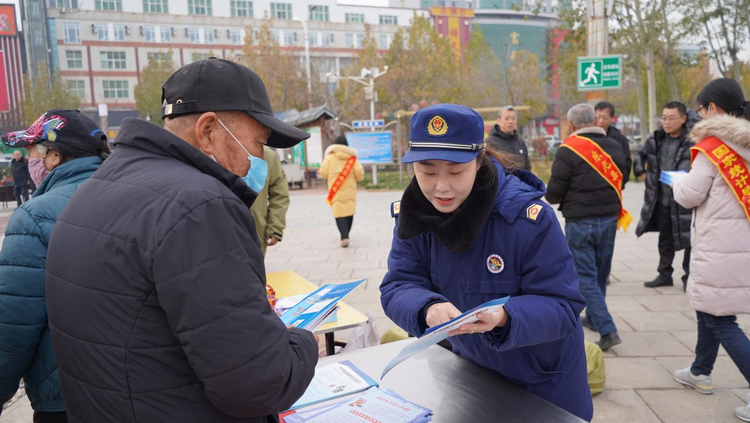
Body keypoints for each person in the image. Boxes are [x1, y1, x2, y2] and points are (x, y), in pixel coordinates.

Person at [44, 59, 319, 422]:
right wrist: (303, 344)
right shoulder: (201, 206)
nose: (259, 161)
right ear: (207, 130)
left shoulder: (99, 185)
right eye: (259, 143)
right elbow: (258, 384)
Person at [380, 104, 592, 421]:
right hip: (466, 375)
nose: (440, 186)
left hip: (540, 382)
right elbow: (398, 285)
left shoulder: (527, 219)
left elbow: (563, 305)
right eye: (426, 171)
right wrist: (427, 307)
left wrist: (506, 316)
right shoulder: (415, 215)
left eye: (455, 171)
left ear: (479, 162)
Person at [0, 109, 109, 423]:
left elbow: (14, 325)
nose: (30, 160)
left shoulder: (34, 216)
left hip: (64, 397)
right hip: (134, 388)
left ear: (55, 156)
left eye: (32, 152)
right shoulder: (132, 197)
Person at [669, 78, 750, 422]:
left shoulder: (714, 146)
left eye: (701, 109)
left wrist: (677, 181)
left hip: (719, 245)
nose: (699, 115)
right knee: (709, 307)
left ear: (713, 109)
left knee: (719, 317)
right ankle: (701, 370)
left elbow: (690, 195)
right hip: (740, 242)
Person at [546, 103, 630, 351]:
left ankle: (607, 329)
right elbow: (622, 180)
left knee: (585, 278)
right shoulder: (615, 146)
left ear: (571, 125)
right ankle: (593, 317)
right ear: (595, 120)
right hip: (609, 219)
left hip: (581, 221)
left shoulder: (568, 149)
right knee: (601, 273)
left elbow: (553, 194)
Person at [634, 102, 697, 290]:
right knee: (665, 239)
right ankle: (664, 274)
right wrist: (642, 173)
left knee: (689, 240)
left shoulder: (693, 140)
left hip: (685, 199)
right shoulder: (656, 138)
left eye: (671, 118)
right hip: (662, 199)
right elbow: (640, 155)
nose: (666, 122)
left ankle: (689, 277)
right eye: (664, 118)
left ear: (683, 119)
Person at [319, 135, 365, 248]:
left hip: (336, 192)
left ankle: (344, 237)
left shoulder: (330, 157)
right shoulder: (352, 159)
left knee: (339, 214)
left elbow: (323, 173)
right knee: (349, 213)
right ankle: (347, 234)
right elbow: (360, 176)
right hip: (350, 192)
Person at [250, 146, 290, 255]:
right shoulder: (211, 148)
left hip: (255, 228)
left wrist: (274, 227)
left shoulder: (267, 155)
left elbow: (279, 194)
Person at [595, 101, 632, 185]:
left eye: (605, 117)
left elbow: (627, 163)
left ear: (611, 118)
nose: (601, 121)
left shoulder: (620, 139)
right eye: (598, 117)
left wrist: (620, 184)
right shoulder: (587, 138)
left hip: (614, 186)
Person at [485, 105, 532, 171]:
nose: (510, 122)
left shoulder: (520, 143)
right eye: (506, 118)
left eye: (513, 119)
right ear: (499, 120)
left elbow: (527, 167)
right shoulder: (490, 143)